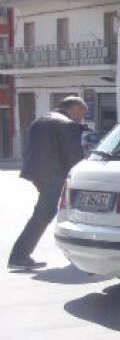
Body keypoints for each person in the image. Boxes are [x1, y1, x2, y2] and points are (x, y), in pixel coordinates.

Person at [8, 97, 88, 270]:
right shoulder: (68, 125)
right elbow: (75, 157)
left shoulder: (41, 120)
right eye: (82, 112)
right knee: (48, 212)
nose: (83, 117)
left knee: (48, 211)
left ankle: (20, 255)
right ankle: (19, 255)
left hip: (35, 171)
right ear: (73, 109)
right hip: (54, 174)